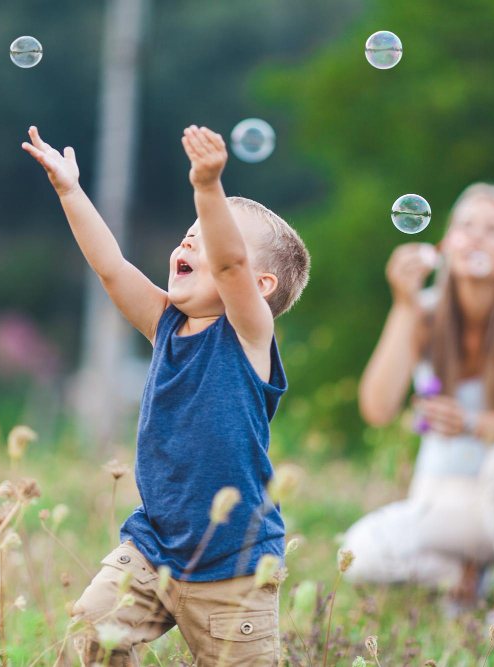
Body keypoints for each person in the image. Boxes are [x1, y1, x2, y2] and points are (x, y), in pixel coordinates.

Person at [22, 124, 310, 665]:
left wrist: (208, 186)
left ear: (260, 286)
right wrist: (70, 192)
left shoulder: (249, 333)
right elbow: (110, 268)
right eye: (188, 231)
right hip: (153, 546)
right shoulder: (165, 327)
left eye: (208, 233)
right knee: (91, 628)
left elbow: (229, 266)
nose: (189, 239)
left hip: (235, 568)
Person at [343, 183, 494, 635]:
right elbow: (377, 406)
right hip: (447, 502)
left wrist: (469, 422)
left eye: (493, 230)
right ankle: (465, 577)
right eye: (466, 226)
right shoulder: (425, 313)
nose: (476, 237)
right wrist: (404, 304)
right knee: (357, 553)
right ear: (445, 245)